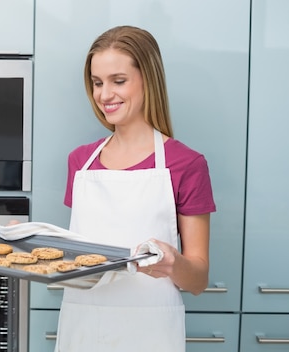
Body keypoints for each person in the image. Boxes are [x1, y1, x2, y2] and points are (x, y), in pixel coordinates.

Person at [55, 25, 216, 351]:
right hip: (81, 325)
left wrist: (174, 263)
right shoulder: (80, 162)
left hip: (149, 333)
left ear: (148, 80)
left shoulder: (186, 164)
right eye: (97, 83)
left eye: (118, 81)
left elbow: (197, 280)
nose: (104, 95)